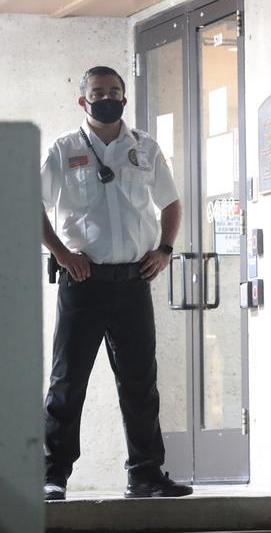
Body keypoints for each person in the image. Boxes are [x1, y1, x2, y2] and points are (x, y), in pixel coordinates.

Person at [40, 66, 191, 500]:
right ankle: (53, 475)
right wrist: (62, 254)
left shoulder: (145, 147)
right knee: (68, 383)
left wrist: (164, 250)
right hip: (82, 283)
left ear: (124, 97)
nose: (106, 97)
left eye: (114, 91)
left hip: (132, 283)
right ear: (83, 100)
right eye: (97, 92)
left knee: (141, 383)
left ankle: (145, 475)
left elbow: (171, 201)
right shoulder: (64, 150)